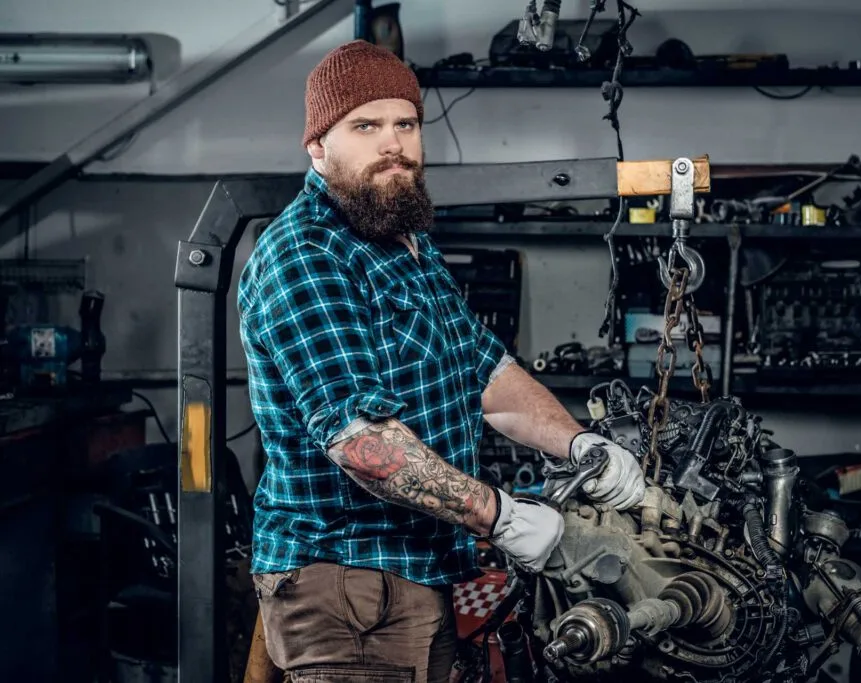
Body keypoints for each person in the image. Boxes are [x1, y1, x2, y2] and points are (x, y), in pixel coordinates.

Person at [237, 40, 646, 683]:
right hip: (347, 587)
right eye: (364, 126)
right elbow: (360, 441)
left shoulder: (405, 241)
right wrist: (502, 516)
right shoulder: (307, 254)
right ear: (318, 146)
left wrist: (582, 447)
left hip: (416, 573)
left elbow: (485, 373)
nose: (391, 144)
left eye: (405, 124)